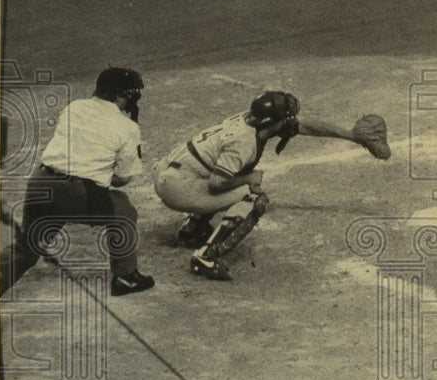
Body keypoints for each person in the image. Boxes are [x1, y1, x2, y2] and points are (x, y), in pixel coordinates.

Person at [153, 92, 387, 281]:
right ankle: (206, 256)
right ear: (274, 121)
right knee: (253, 198)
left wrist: (350, 135)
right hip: (179, 187)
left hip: (172, 172)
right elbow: (216, 184)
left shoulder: (251, 119)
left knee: (234, 172)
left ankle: (194, 228)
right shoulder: (244, 142)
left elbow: (305, 126)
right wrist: (248, 179)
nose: (291, 120)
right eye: (286, 117)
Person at [0, 67, 155, 296]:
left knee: (27, 247)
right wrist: (101, 174)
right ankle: (125, 277)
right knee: (124, 210)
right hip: (74, 192)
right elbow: (123, 179)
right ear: (120, 97)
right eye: (131, 95)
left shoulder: (74, 107)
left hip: (40, 182)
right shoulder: (128, 127)